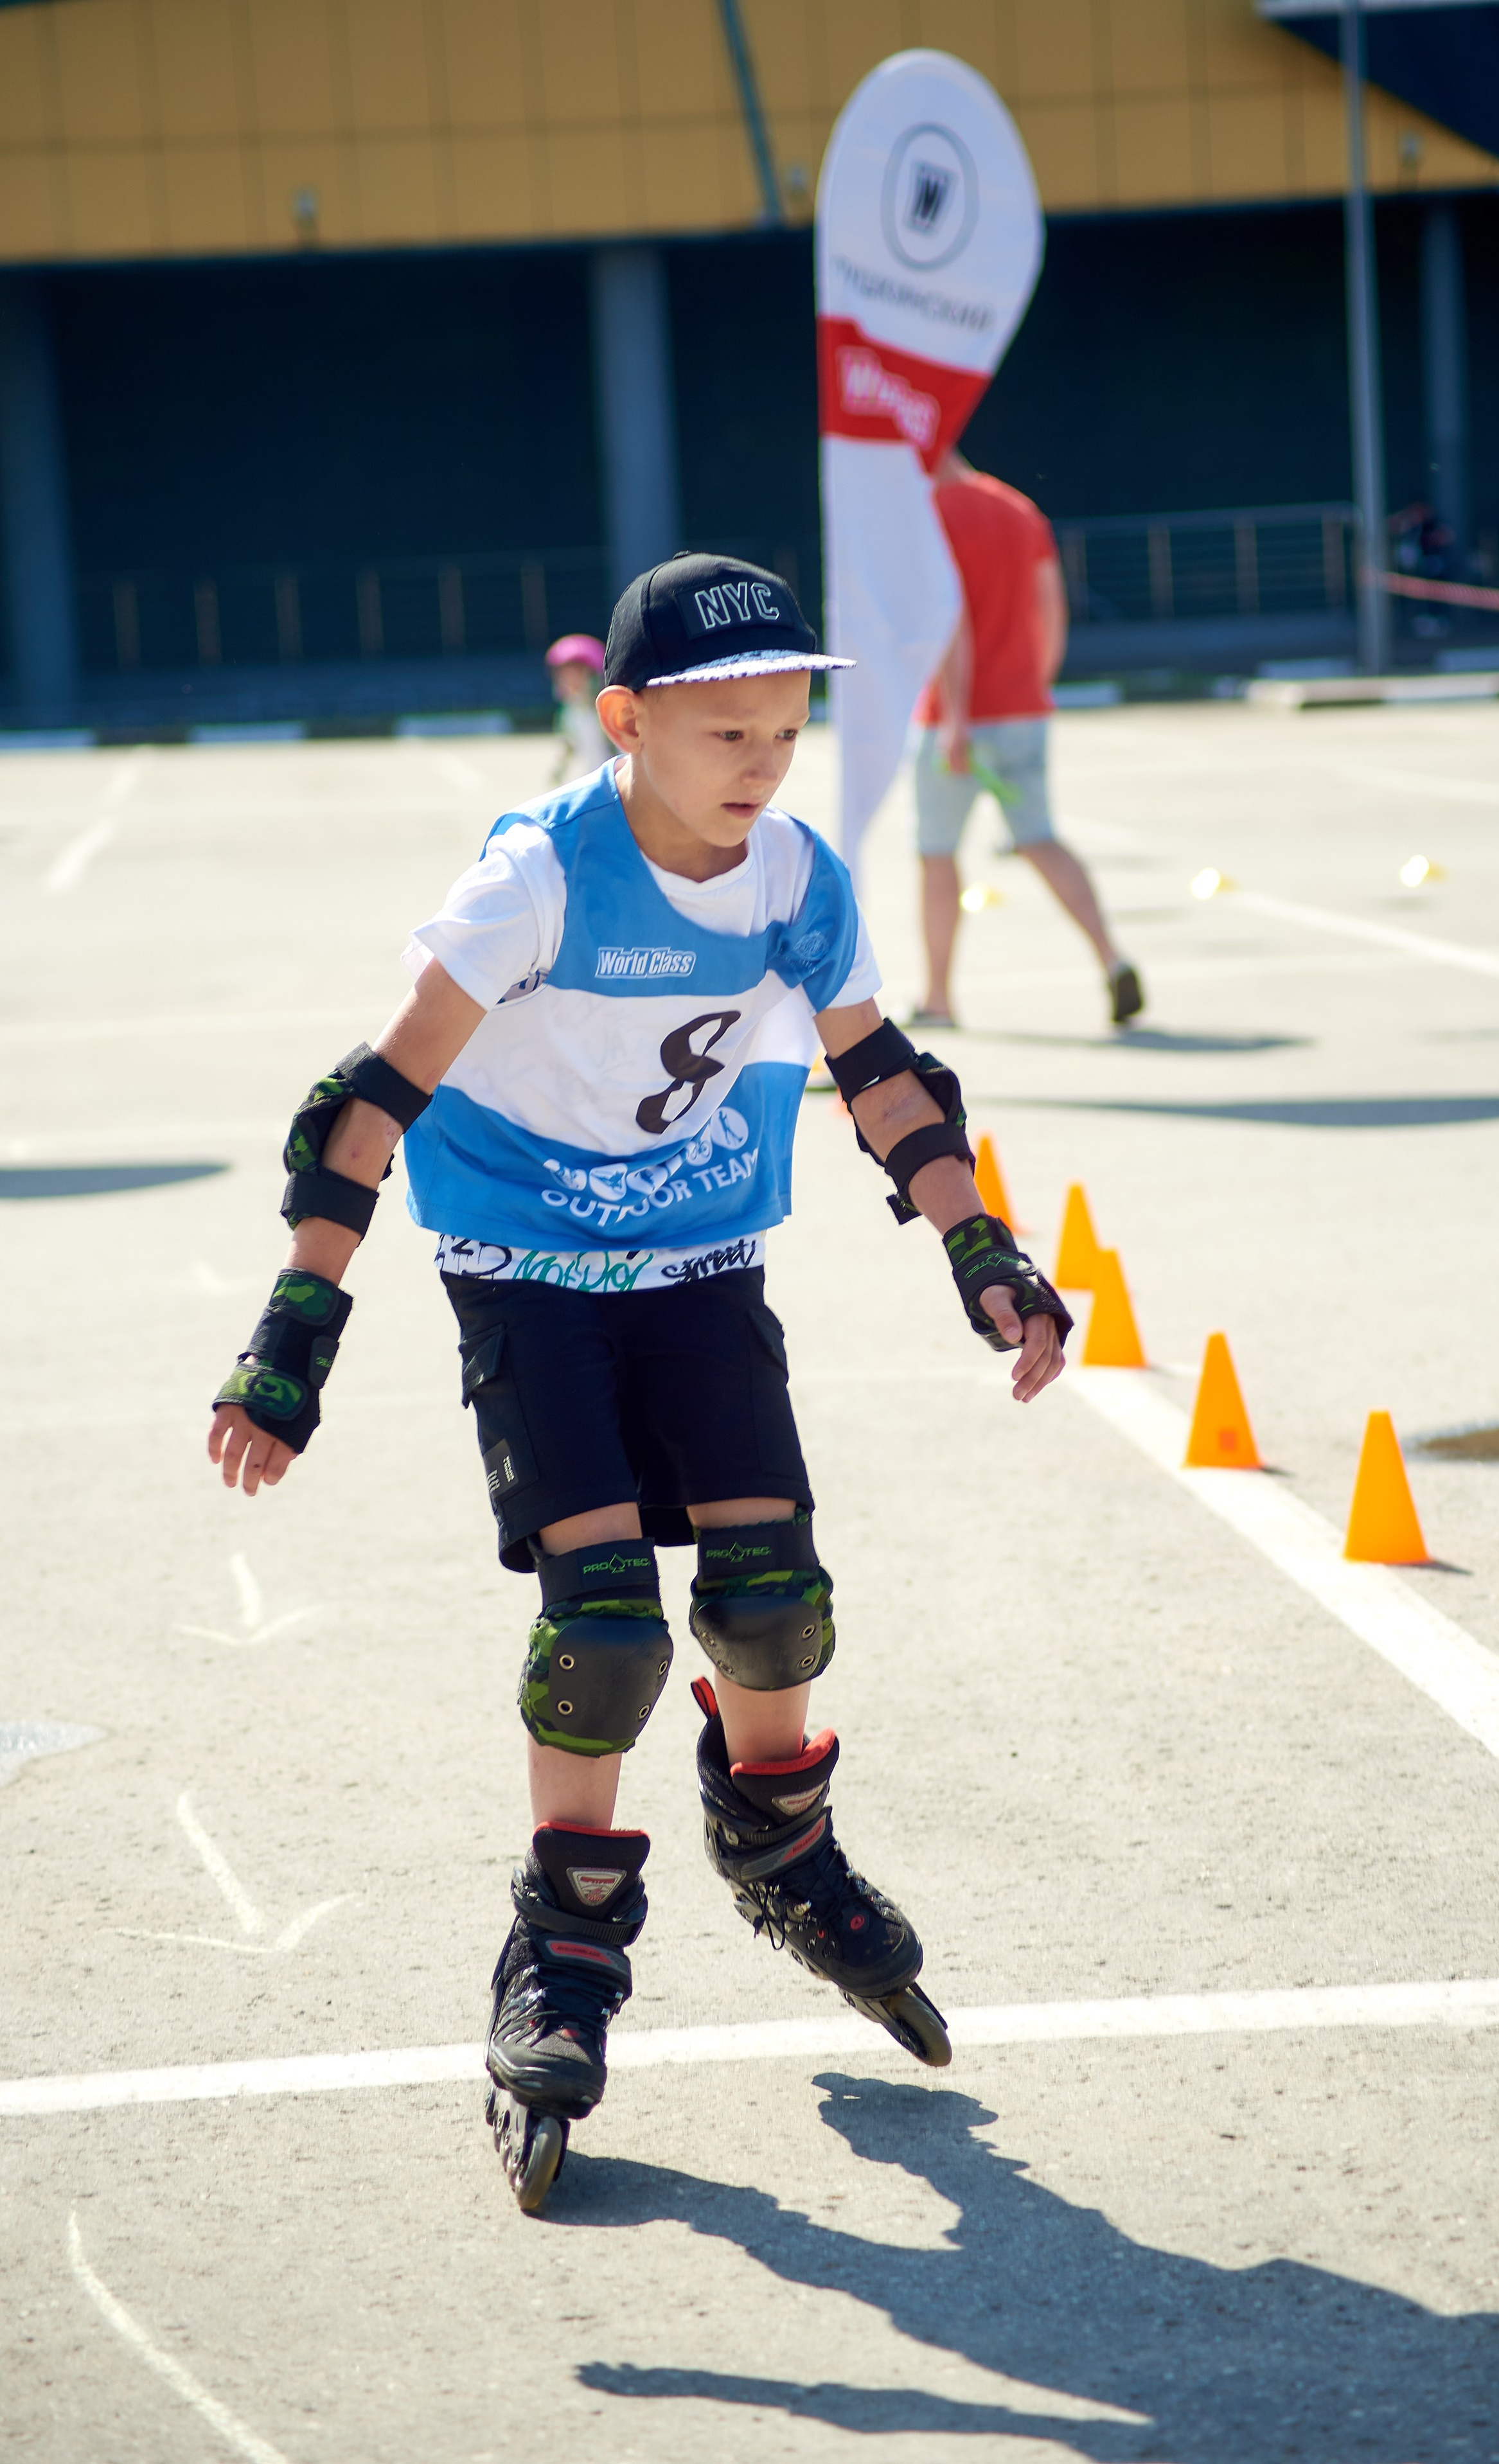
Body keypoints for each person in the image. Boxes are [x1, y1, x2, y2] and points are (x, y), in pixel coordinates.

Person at [206, 553, 1072, 2215]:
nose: (762, 760)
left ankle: (779, 1842)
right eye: (726, 729)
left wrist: (985, 1253)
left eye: (785, 727)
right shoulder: (538, 877)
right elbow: (367, 1096)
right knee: (604, 1625)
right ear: (627, 721)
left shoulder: (799, 875)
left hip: (697, 1263)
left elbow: (882, 1072)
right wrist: (296, 1329)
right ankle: (565, 1941)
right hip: (528, 1272)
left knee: (774, 1606)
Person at [912, 448, 1142, 1031]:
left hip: (956, 719)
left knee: (937, 855)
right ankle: (1111, 957)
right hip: (1024, 708)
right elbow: (1051, 609)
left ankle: (938, 998)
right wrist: (1035, 686)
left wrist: (958, 717)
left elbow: (949, 621)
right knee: (1041, 839)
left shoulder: (931, 513)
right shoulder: (1019, 509)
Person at [544, 632, 613, 781]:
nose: (567, 681)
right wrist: (561, 768)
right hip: (594, 779)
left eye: (573, 675)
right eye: (562, 676)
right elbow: (571, 743)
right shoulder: (571, 711)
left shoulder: (605, 708)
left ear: (591, 675)